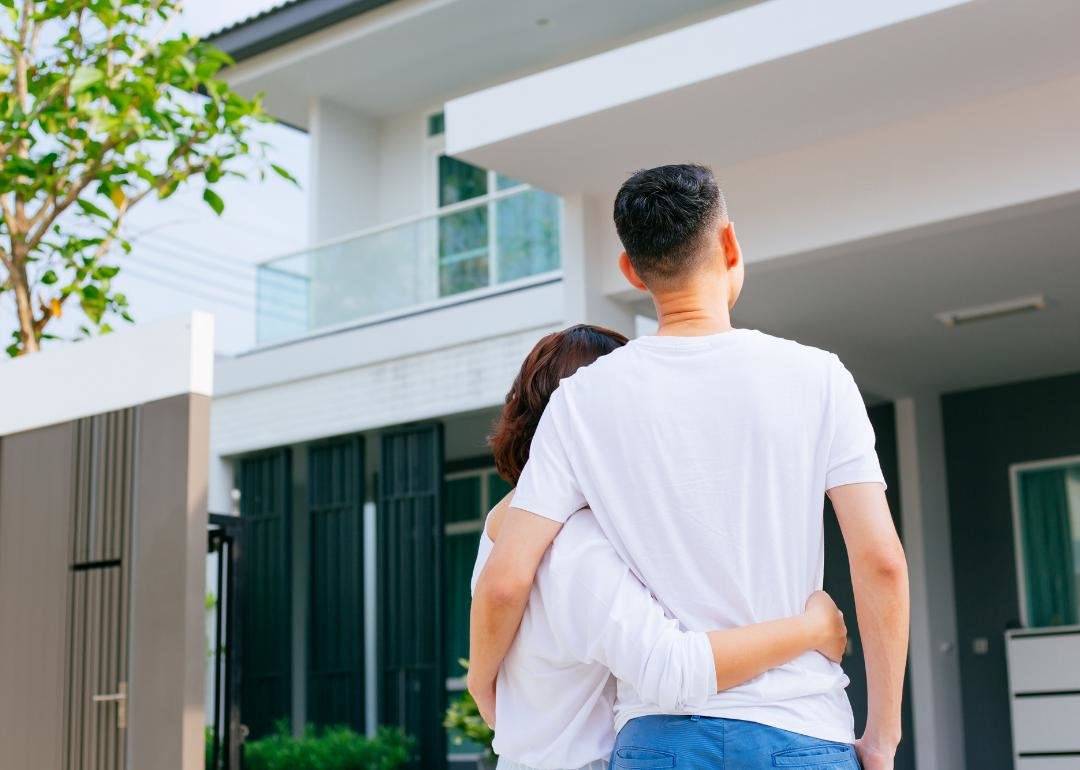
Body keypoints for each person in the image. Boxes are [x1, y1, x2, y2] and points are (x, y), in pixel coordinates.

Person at [470, 165, 910, 770]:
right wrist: (882, 739)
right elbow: (881, 563)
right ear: (729, 243)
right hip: (803, 727)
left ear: (630, 270)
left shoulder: (581, 400)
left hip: (660, 739)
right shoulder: (819, 375)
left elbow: (503, 579)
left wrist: (483, 688)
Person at [476, 324, 851, 770]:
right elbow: (674, 669)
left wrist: (478, 678)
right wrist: (814, 629)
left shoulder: (506, 528)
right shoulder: (575, 546)